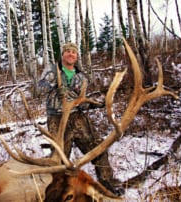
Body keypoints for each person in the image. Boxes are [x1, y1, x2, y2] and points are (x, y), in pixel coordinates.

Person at [38, 42, 123, 195]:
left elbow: (80, 101)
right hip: (57, 118)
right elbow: (39, 88)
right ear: (62, 55)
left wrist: (95, 105)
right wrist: (55, 85)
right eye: (68, 51)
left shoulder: (81, 77)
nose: (71, 54)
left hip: (77, 117)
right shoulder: (52, 70)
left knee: (98, 147)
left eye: (74, 52)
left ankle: (107, 182)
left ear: (76, 56)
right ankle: (59, 191)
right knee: (60, 158)